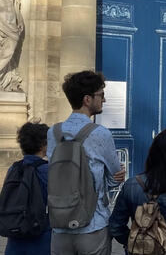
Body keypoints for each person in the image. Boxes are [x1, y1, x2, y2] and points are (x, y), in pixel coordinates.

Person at [48, 71, 125, 255]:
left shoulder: (53, 132)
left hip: (59, 227)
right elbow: (114, 180)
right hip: (93, 225)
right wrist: (115, 177)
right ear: (87, 99)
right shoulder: (101, 133)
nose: (104, 100)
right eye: (101, 95)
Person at [4, 122, 50, 255]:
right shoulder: (47, 170)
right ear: (43, 145)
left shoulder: (14, 168)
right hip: (41, 237)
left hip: (15, 234)